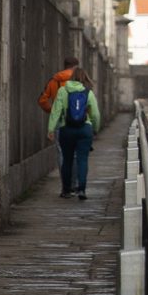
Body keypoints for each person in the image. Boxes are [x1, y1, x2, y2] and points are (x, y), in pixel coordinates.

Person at [49, 68, 101, 199]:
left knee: (67, 160)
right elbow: (95, 113)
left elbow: (56, 111)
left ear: (71, 78)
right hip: (85, 129)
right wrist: (95, 128)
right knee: (83, 160)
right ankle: (81, 190)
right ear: (85, 78)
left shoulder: (63, 91)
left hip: (66, 129)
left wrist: (51, 129)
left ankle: (66, 190)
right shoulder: (88, 92)